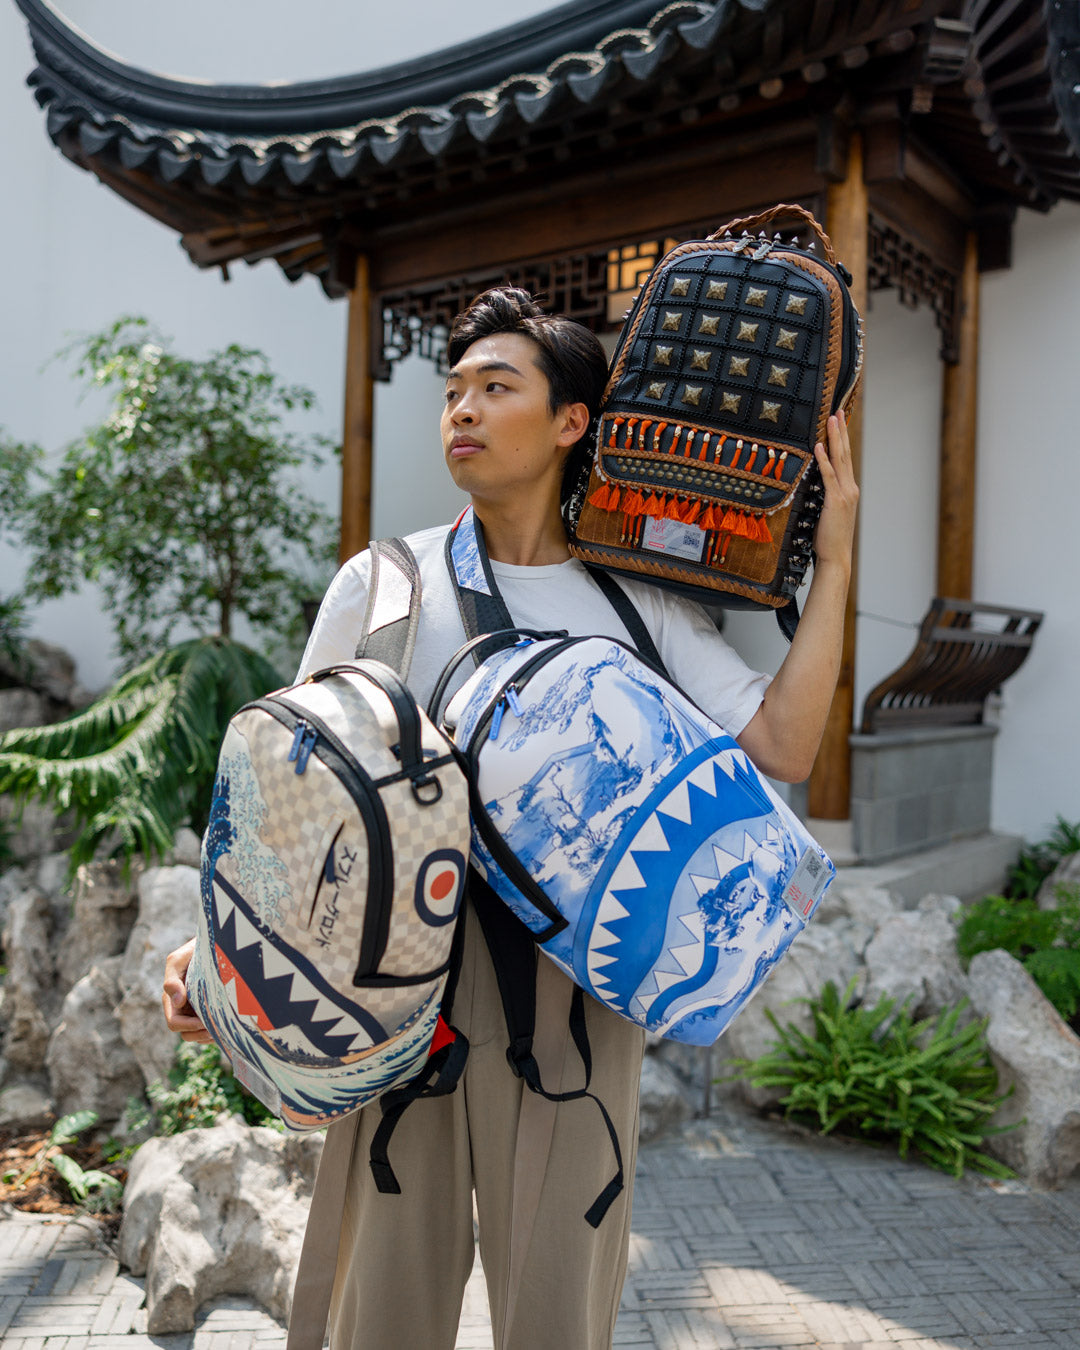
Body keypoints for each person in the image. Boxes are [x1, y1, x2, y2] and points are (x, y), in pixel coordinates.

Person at [162, 286, 858, 1350]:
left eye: (497, 387)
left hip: (572, 1008)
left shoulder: (637, 601)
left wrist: (839, 560)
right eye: (452, 392)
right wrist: (213, 954)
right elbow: (288, 798)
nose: (463, 411)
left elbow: (783, 748)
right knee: (379, 1310)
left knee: (557, 1312)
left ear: (572, 420)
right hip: (392, 984)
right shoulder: (383, 586)